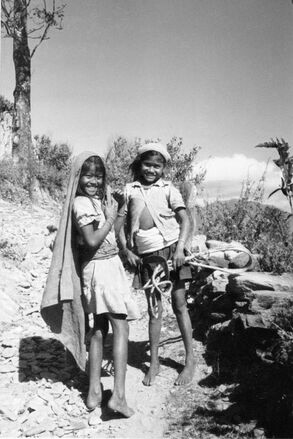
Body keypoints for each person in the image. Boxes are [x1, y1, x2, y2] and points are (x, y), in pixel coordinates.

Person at [41, 152, 139, 418]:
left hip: (108, 266)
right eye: (88, 175)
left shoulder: (97, 201)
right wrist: (109, 218)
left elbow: (111, 234)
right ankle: (118, 396)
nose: (94, 181)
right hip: (100, 269)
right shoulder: (81, 203)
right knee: (121, 325)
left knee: (99, 328)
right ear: (78, 177)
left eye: (98, 176)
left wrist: (119, 210)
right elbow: (93, 240)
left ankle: (94, 392)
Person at [119, 142, 195, 386]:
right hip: (148, 255)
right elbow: (118, 225)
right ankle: (154, 363)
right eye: (147, 164)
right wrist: (127, 250)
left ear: (163, 168)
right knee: (154, 310)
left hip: (173, 249)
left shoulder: (169, 189)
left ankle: (190, 360)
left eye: (157, 165)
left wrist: (181, 247)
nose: (151, 169)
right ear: (139, 164)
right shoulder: (129, 190)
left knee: (180, 304)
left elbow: (185, 220)